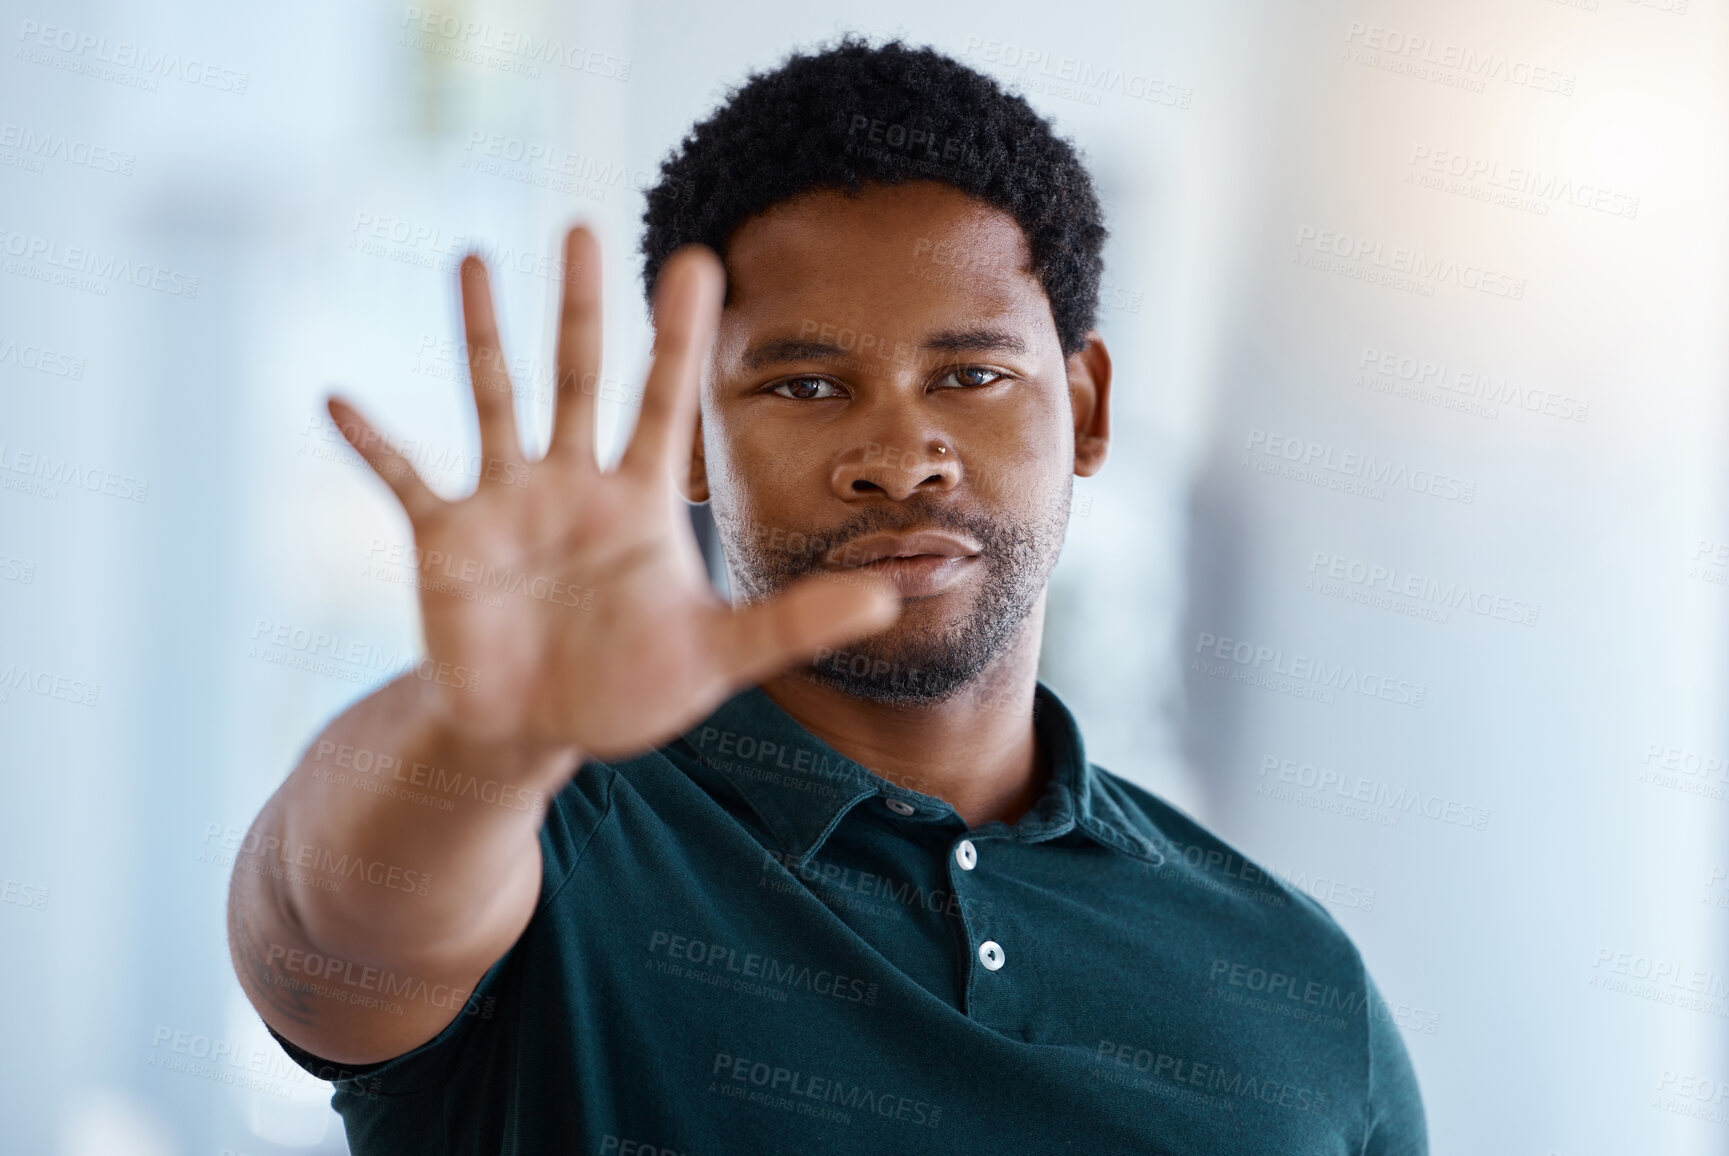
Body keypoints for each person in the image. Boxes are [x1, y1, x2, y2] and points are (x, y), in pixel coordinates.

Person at [227, 36, 1427, 1154]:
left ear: (1089, 409)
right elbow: (320, 935)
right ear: (696, 435)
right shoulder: (559, 840)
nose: (900, 456)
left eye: (969, 374)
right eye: (805, 387)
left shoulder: (1300, 986)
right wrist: (474, 734)